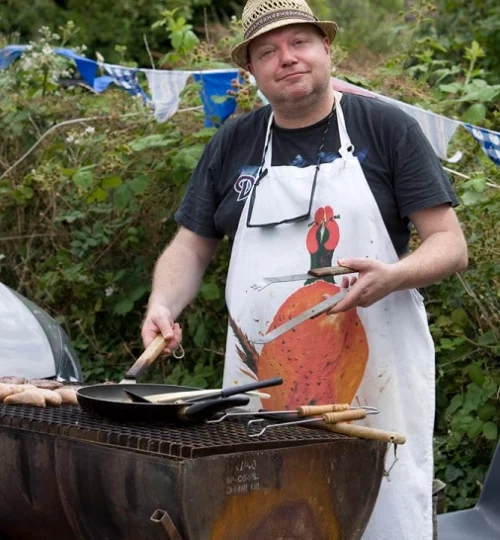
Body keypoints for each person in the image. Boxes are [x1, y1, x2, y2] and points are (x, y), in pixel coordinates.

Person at [142, 0, 468, 538]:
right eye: (267, 51)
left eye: (299, 43)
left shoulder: (385, 128)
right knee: (267, 516)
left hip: (372, 393)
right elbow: (190, 247)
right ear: (251, 71)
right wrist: (161, 305)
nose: (286, 58)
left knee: (380, 515)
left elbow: (449, 244)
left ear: (326, 48)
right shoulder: (235, 142)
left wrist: (394, 275)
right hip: (261, 390)